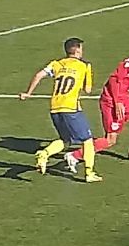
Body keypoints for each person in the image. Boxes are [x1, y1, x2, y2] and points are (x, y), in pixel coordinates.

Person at [66, 42, 129, 168]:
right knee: (110, 140)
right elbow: (114, 79)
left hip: (124, 98)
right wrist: (117, 102)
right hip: (110, 99)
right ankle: (74, 155)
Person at [18, 38, 102, 182]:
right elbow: (87, 90)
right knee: (87, 140)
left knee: (66, 140)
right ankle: (89, 173)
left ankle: (44, 154)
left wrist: (28, 93)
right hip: (71, 108)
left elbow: (39, 75)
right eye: (81, 48)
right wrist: (88, 74)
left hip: (55, 108)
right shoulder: (84, 66)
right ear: (77, 50)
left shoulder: (56, 64)